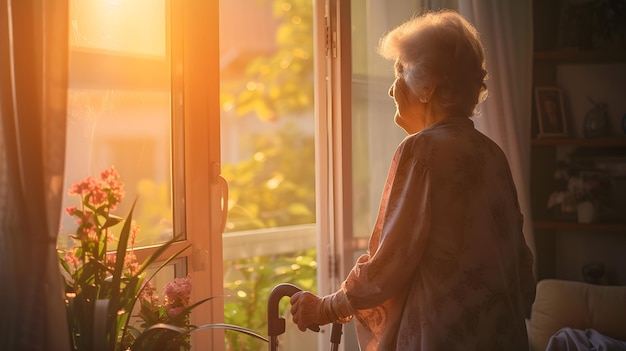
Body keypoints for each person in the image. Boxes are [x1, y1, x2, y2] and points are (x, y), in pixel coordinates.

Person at [289, 9, 536, 350]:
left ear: (428, 87)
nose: (392, 90)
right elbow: (522, 270)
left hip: (443, 338)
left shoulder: (422, 151)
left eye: (400, 72)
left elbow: (390, 262)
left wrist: (326, 308)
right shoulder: (493, 154)